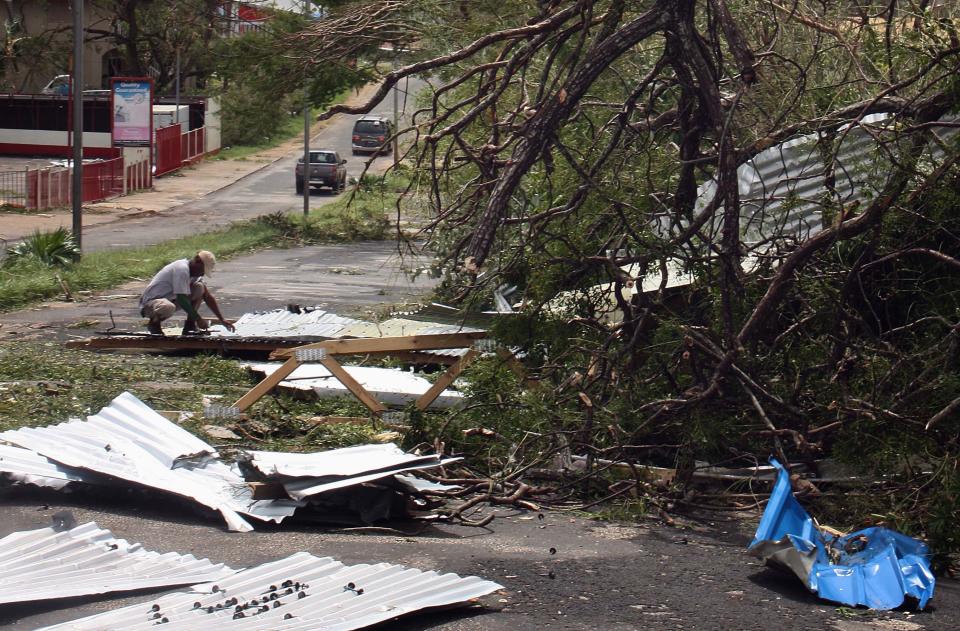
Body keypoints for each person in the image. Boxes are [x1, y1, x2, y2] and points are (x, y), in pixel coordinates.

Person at [139, 250, 235, 336]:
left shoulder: (195, 274)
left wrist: (222, 319)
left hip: (169, 301)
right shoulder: (181, 269)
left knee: (199, 288)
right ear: (197, 261)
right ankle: (154, 324)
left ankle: (190, 325)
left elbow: (207, 296)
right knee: (167, 307)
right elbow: (182, 299)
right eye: (202, 271)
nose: (202, 274)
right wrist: (199, 319)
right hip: (150, 305)